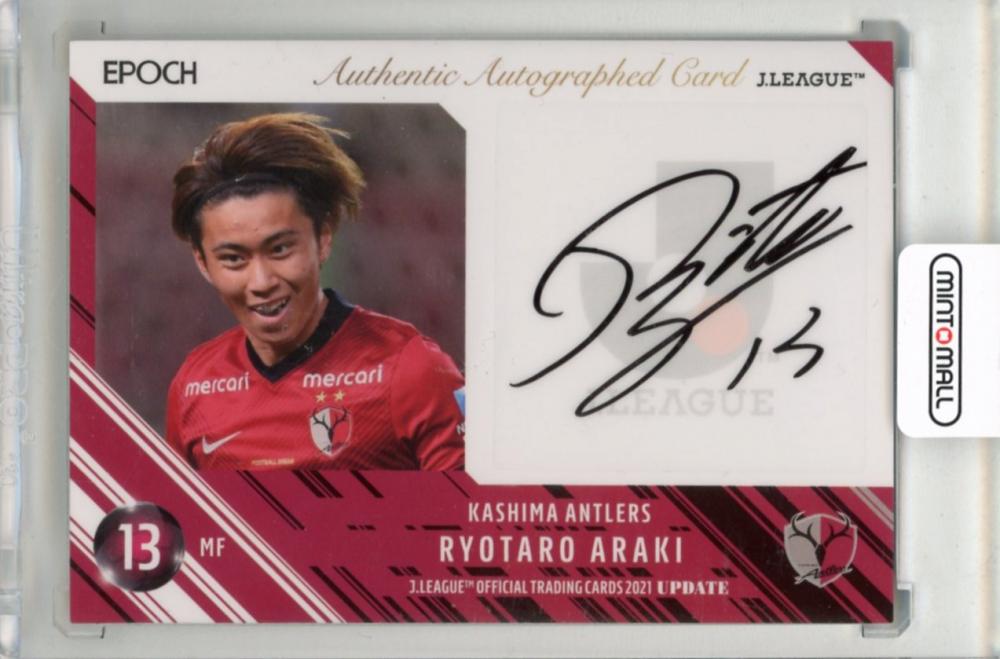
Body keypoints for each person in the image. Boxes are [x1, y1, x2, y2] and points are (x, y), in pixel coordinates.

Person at [165, 113, 465, 470]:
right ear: (203, 263)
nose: (261, 282)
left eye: (280, 249)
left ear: (323, 239)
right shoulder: (194, 385)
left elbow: (469, 504)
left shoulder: (411, 370)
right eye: (233, 259)